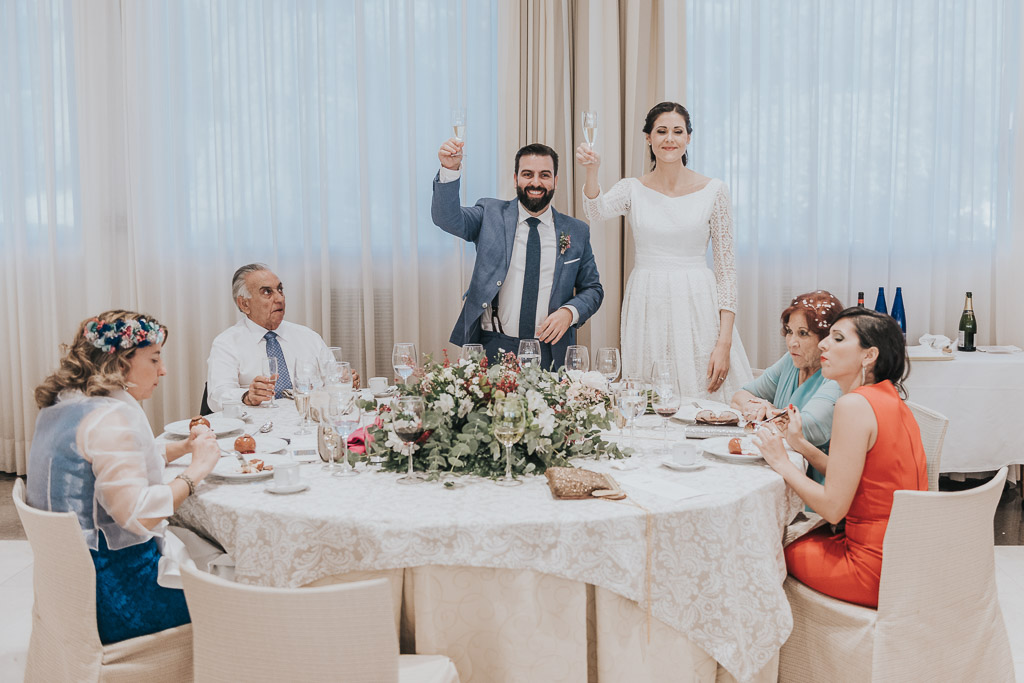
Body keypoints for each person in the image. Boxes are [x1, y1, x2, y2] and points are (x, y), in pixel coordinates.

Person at [26, 310, 221, 643]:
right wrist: (196, 471)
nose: (163, 370)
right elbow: (138, 516)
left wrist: (183, 448)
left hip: (69, 584)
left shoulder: (66, 405)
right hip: (117, 596)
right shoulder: (110, 419)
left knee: (203, 552)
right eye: (154, 359)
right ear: (118, 364)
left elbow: (111, 467)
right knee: (232, 590)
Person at [577, 101, 752, 399]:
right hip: (647, 301)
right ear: (648, 138)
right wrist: (592, 172)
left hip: (698, 303)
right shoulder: (632, 188)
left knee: (705, 394)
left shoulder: (715, 190)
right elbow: (596, 210)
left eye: (677, 131)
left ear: (688, 138)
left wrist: (724, 343)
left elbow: (726, 271)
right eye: (661, 131)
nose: (669, 138)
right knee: (650, 397)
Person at [754, 308, 927, 608]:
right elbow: (853, 474)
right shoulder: (888, 398)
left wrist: (780, 462)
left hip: (869, 568)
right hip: (904, 560)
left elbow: (833, 508)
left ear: (868, 355)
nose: (823, 345)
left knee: (757, 549)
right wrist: (801, 444)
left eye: (837, 339)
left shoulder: (853, 405)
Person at [433, 139, 604, 369]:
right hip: (493, 346)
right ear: (515, 179)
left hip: (551, 349)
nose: (536, 182)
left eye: (544, 175)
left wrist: (569, 312)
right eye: (527, 174)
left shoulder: (576, 230)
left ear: (555, 180)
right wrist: (449, 169)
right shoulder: (489, 214)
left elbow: (593, 289)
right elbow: (447, 218)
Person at [207, 263, 356, 411]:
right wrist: (247, 396)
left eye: (280, 290)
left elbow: (331, 381)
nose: (279, 299)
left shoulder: (308, 337)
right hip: (256, 429)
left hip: (306, 423)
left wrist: (344, 380)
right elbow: (217, 396)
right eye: (267, 292)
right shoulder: (227, 343)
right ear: (244, 304)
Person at [731, 290, 843, 475]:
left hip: (816, 477)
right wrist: (759, 406)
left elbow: (806, 428)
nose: (792, 342)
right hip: (776, 463)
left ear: (826, 338)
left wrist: (766, 411)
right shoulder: (791, 361)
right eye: (790, 332)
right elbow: (739, 396)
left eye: (803, 334)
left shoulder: (838, 375)